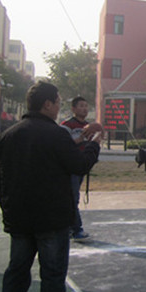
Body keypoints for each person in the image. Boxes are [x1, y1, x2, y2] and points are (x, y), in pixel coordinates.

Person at [0, 81, 101, 292]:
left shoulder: (8, 136)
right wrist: (94, 144)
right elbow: (79, 165)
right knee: (52, 278)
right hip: (52, 221)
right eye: (58, 102)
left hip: (19, 220)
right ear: (47, 104)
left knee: (16, 274)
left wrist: (8, 211)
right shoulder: (56, 135)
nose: (59, 107)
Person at [61, 96, 91, 242]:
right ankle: (76, 229)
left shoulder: (89, 126)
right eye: (81, 106)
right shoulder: (66, 125)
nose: (84, 109)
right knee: (72, 197)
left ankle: (68, 227)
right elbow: (62, 145)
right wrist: (79, 140)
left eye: (86, 106)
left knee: (73, 197)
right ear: (73, 109)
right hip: (70, 166)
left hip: (81, 166)